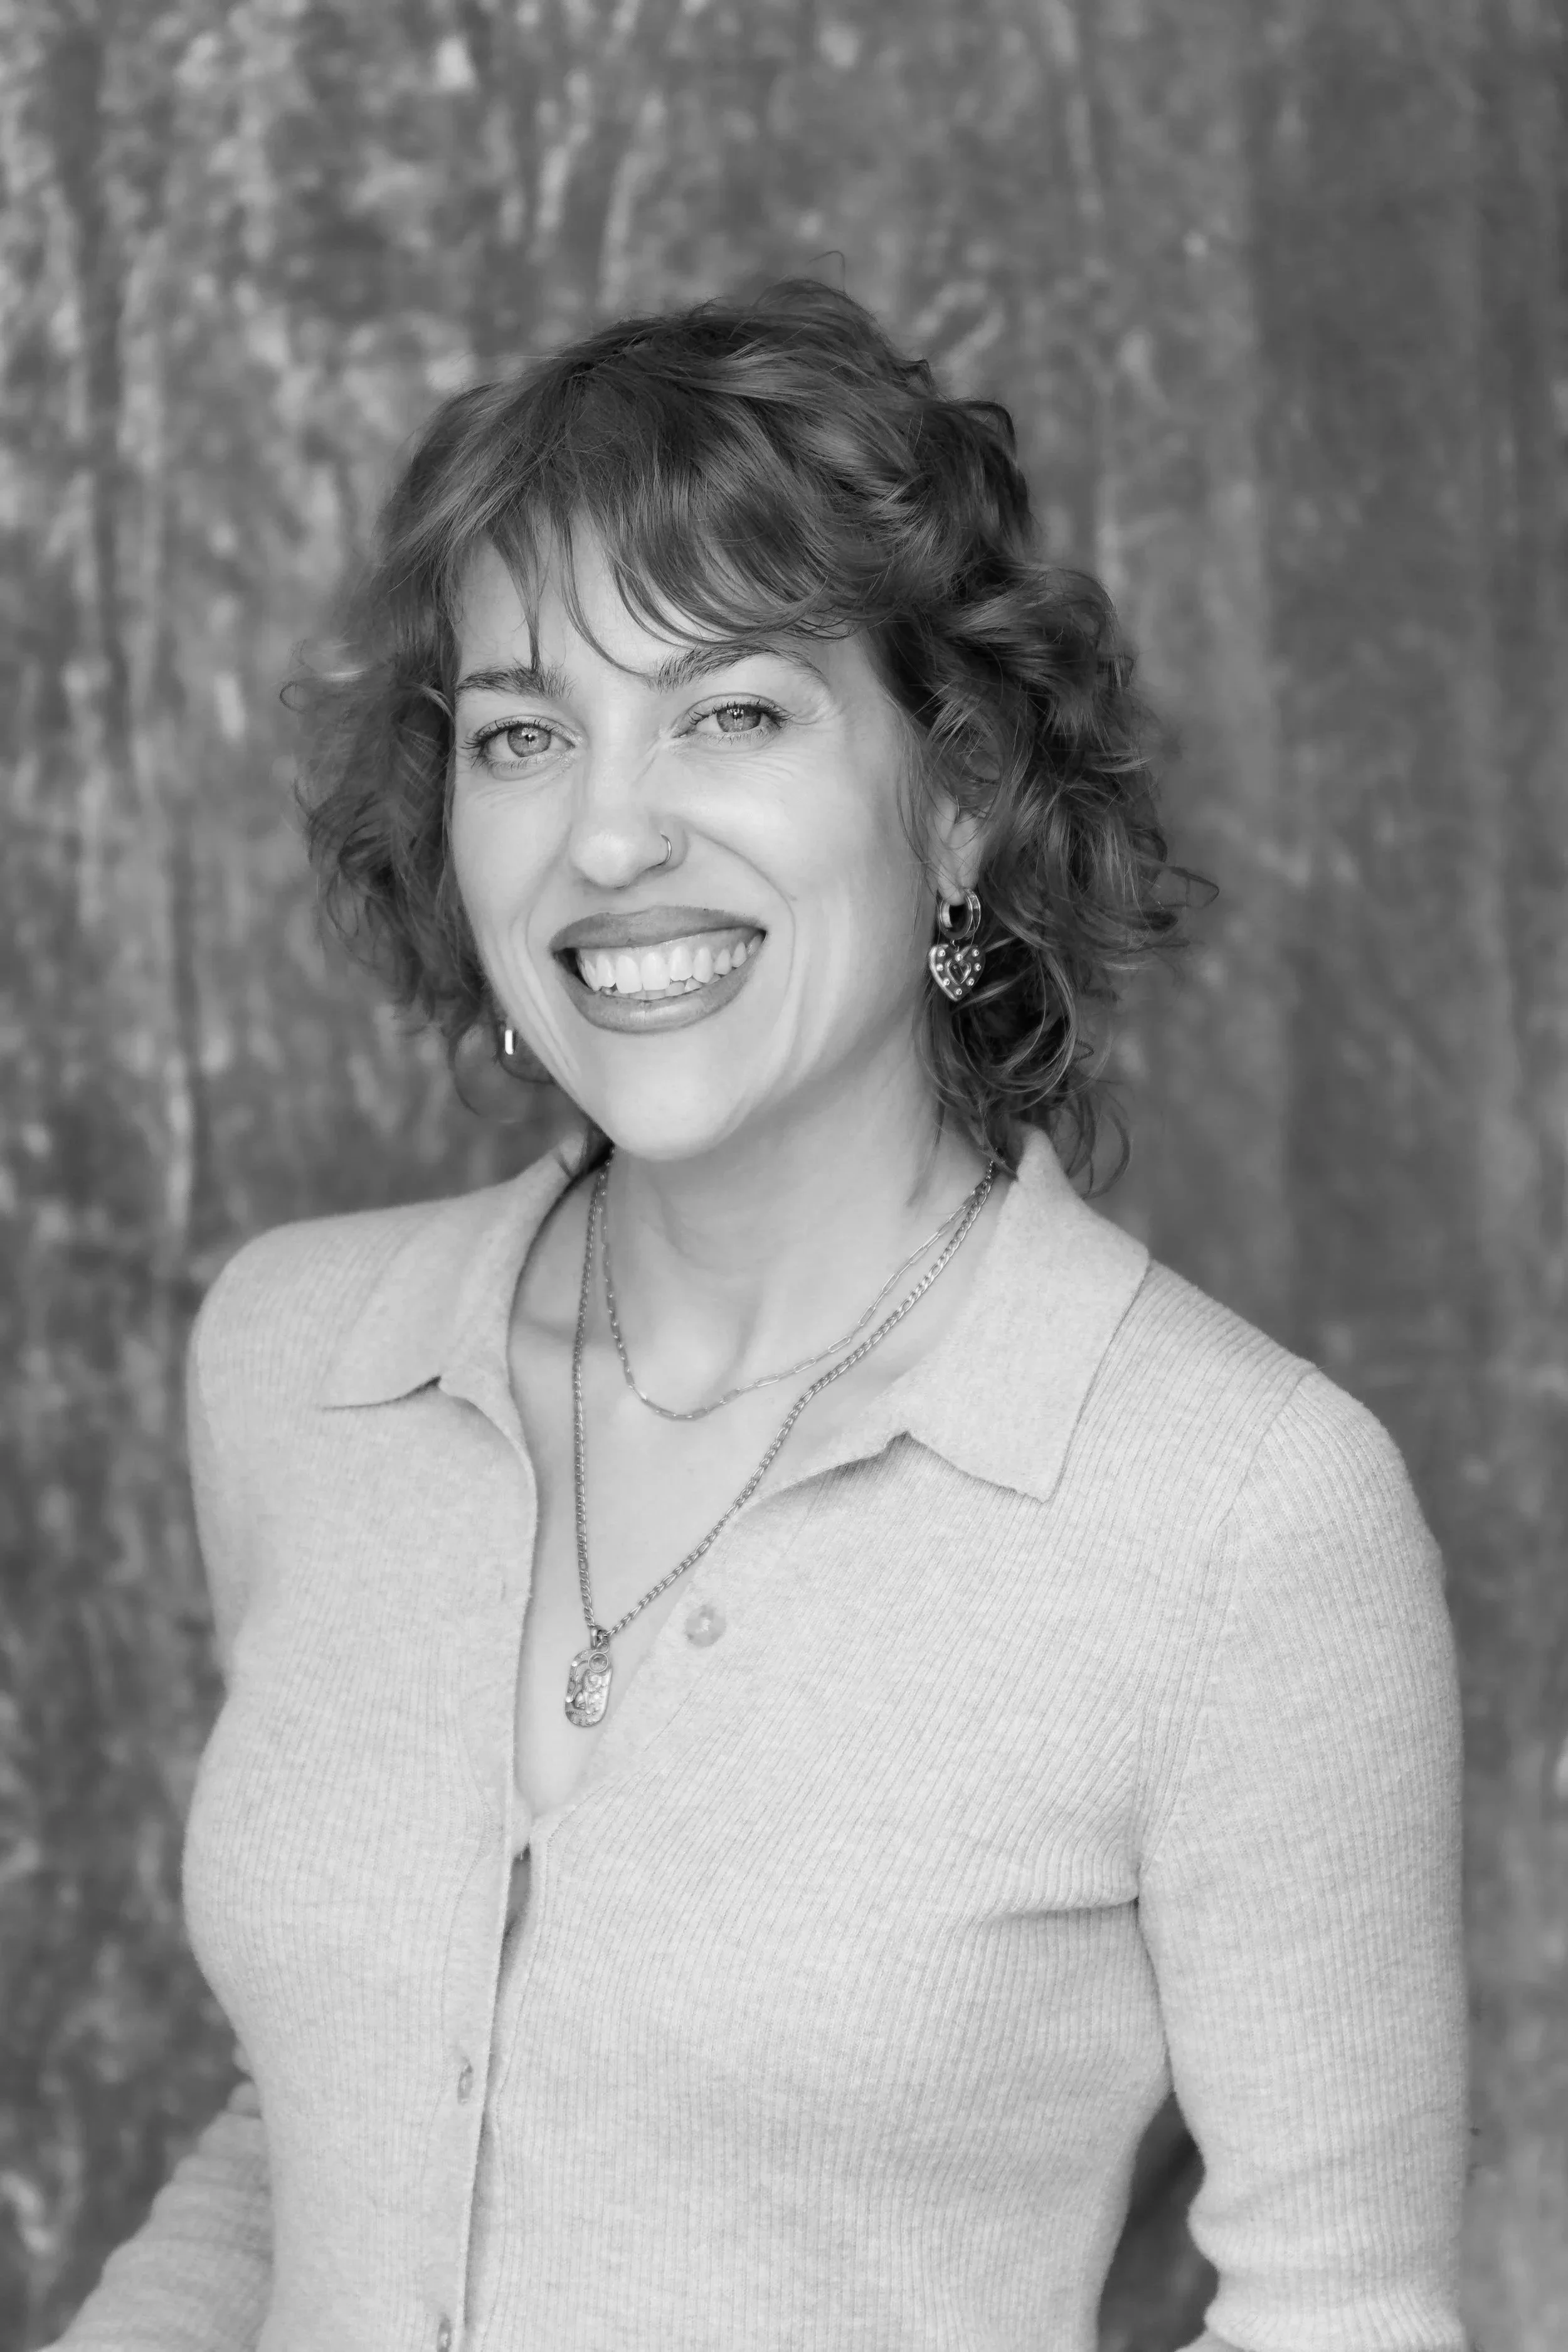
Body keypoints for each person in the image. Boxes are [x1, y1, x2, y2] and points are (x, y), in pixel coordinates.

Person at [48, 278, 1468, 2352]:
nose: (608, 834)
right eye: (526, 732)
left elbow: (1340, 2321)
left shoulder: (1240, 1513)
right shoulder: (296, 1364)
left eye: (731, 710)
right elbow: (312, 2136)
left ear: (956, 788)